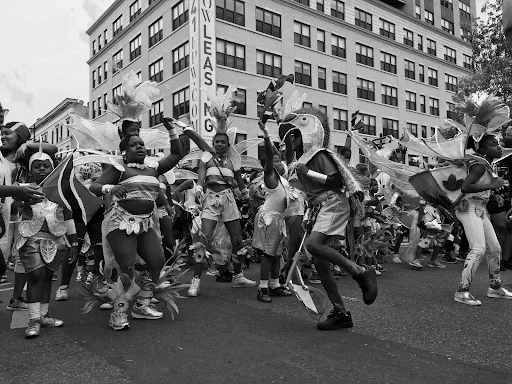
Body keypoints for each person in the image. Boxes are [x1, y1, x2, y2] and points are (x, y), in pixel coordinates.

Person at [280, 108, 377, 330]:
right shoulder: (303, 160)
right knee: (320, 262)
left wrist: (309, 173)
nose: (291, 140)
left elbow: (336, 182)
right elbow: (310, 192)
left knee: (314, 246)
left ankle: (361, 272)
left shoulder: (319, 155)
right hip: (318, 207)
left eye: (294, 134)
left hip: (333, 202)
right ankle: (341, 312)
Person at [90, 121, 183, 329]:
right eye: (134, 145)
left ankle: (142, 304)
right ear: (124, 151)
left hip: (146, 223)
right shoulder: (119, 169)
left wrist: (172, 130)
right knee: (127, 270)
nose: (140, 147)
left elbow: (177, 155)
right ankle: (119, 312)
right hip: (120, 221)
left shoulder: (154, 168)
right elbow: (93, 187)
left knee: (157, 261)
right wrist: (110, 188)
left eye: (141, 144)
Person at [11, 149, 79, 338]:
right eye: (37, 166)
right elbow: (15, 207)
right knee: (35, 276)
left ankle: (43, 315)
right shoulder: (23, 188)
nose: (42, 169)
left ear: (53, 168)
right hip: (31, 238)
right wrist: (19, 200)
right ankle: (33, 320)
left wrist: (74, 243)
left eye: (46, 165)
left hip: (55, 239)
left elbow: (68, 217)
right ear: (30, 170)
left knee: (48, 277)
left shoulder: (60, 190)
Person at [1, 122, 56, 310]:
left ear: (20, 136)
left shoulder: (28, 159)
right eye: (2, 133)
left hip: (23, 216)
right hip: (4, 215)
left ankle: (16, 298)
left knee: (20, 259)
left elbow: (53, 148)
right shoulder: (1, 159)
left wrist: (28, 146)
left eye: (8, 133)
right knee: (2, 257)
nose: (3, 137)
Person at [454, 134, 512, 305]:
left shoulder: (487, 165)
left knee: (494, 248)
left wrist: (493, 197)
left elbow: (478, 189)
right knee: (478, 249)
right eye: (494, 145)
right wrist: (492, 186)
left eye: (499, 144)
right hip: (468, 208)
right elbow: (466, 186)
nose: (499, 147)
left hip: (480, 208)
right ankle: (462, 291)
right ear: (483, 149)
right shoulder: (479, 165)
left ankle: (495, 287)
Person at [254, 121, 292, 302]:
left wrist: (289, 134)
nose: (278, 162)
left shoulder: (283, 179)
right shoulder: (269, 176)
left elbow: (287, 155)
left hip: (279, 219)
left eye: (279, 160)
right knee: (269, 254)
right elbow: (270, 153)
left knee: (277, 253)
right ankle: (262, 288)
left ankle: (275, 284)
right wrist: (267, 134)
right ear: (268, 164)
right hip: (270, 218)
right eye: (275, 161)